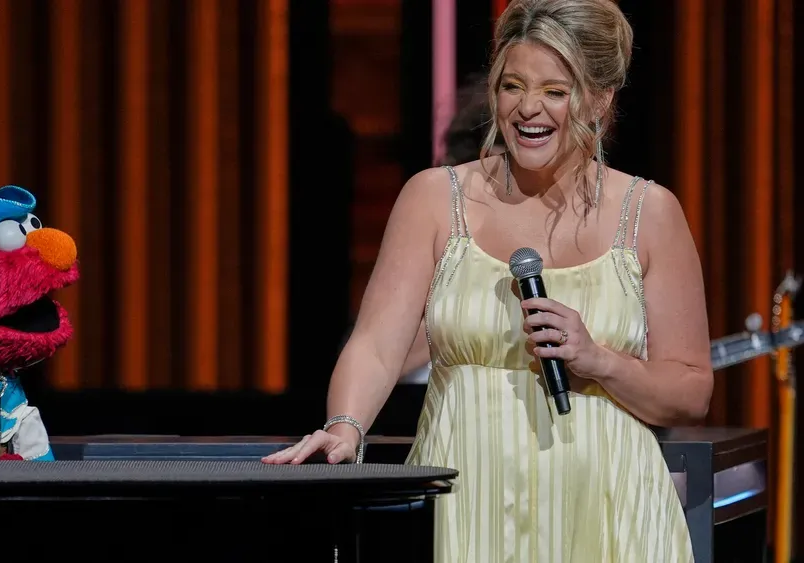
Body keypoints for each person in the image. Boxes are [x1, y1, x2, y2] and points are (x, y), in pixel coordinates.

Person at [263, 0, 712, 561]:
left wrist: (598, 360)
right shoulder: (434, 198)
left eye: (554, 91)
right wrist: (345, 426)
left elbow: (690, 390)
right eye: (511, 85)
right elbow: (376, 345)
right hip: (467, 499)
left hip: (608, 504)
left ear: (601, 99)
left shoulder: (649, 213)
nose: (527, 108)